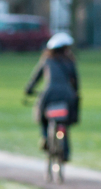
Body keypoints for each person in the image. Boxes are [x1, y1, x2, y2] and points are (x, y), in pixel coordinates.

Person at [24, 32, 80, 161]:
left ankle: (45, 139)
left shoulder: (47, 60)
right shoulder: (70, 62)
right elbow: (76, 81)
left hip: (49, 94)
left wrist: (28, 90)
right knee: (64, 122)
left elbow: (36, 78)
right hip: (67, 96)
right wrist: (75, 93)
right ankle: (65, 152)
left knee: (43, 117)